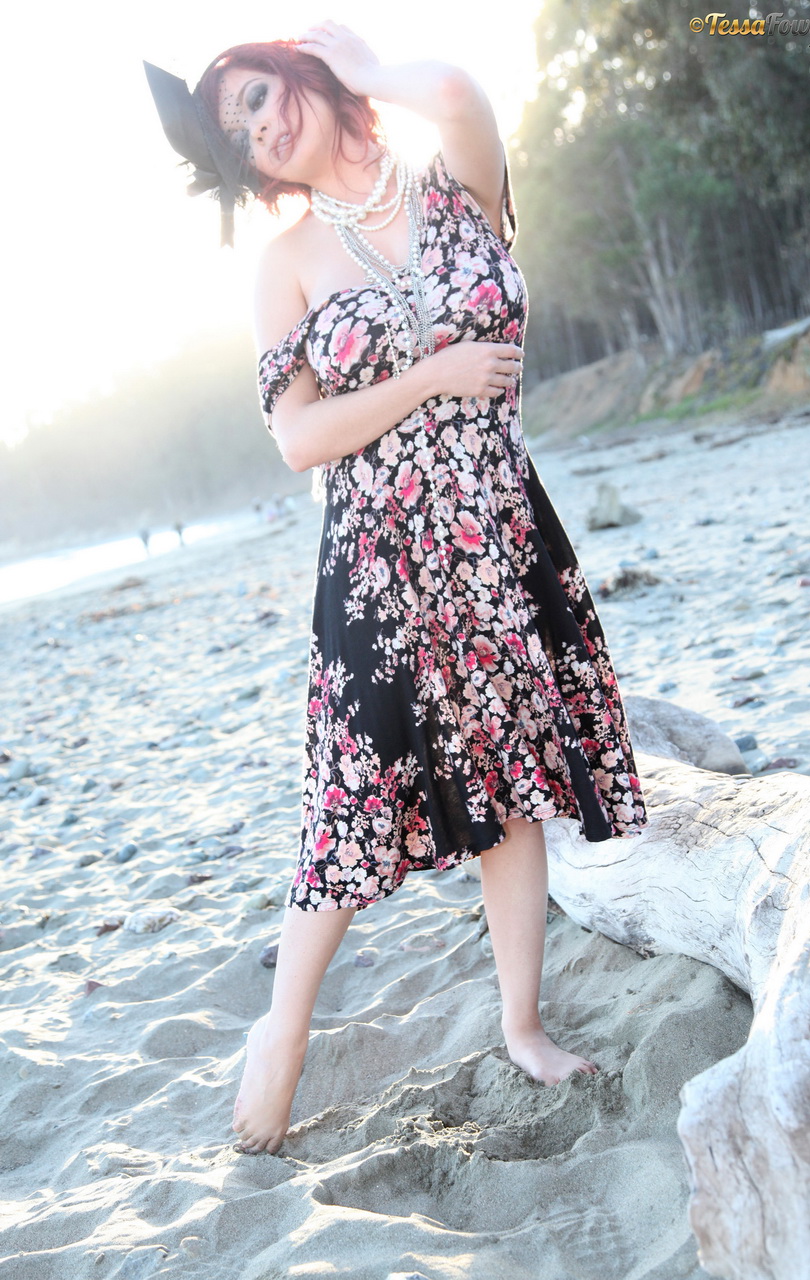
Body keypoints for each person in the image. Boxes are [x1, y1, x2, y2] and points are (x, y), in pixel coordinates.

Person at [145, 21, 650, 1158]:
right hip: (380, 564)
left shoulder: (454, 184)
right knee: (352, 800)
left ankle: (520, 1024)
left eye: (260, 95)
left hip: (494, 532)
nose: (261, 127)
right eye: (238, 133)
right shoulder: (283, 262)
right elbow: (299, 437)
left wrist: (368, 70)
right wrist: (432, 374)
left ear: (301, 72)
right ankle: (281, 1030)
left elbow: (460, 91)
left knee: (509, 778)